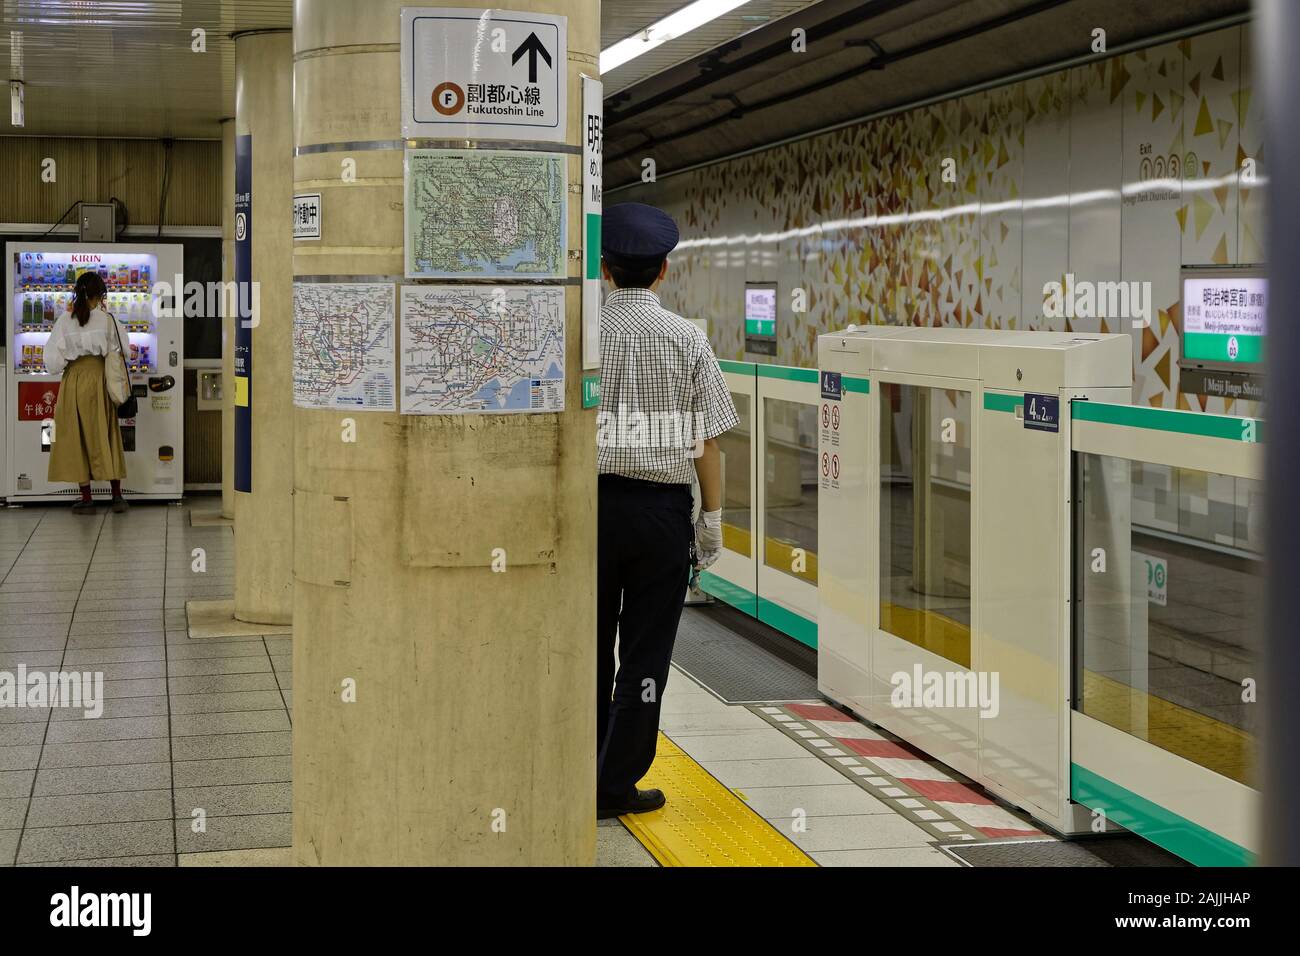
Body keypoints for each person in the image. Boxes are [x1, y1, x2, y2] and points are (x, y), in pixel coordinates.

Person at [596, 202, 739, 818]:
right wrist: (710, 521)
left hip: (590, 510)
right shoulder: (688, 339)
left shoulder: (582, 334)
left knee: (589, 643)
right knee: (646, 651)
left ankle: (578, 764)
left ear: (604, 270)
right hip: (659, 516)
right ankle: (617, 782)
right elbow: (709, 443)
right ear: (661, 273)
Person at [45, 271, 129, 515]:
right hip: (99, 380)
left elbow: (52, 361)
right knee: (106, 433)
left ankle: (86, 497)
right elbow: (124, 350)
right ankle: (116, 496)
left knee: (75, 437)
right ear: (100, 295)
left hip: (72, 381)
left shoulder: (64, 320)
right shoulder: (107, 320)